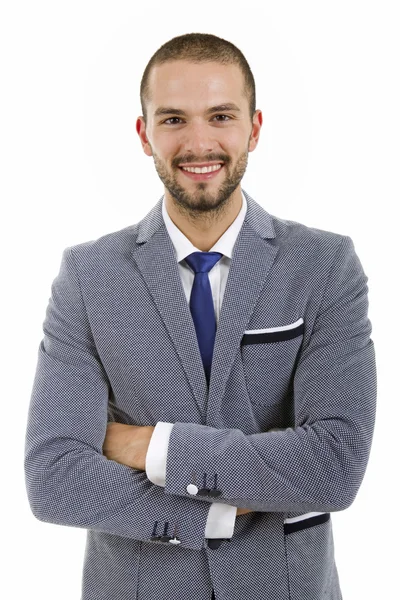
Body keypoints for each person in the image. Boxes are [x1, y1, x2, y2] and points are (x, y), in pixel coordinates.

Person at [24, 32, 377, 600]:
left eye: (220, 115)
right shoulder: (88, 278)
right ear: (144, 134)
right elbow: (55, 477)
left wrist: (150, 447)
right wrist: (212, 513)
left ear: (254, 128)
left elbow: (335, 463)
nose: (199, 142)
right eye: (173, 120)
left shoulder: (325, 267)